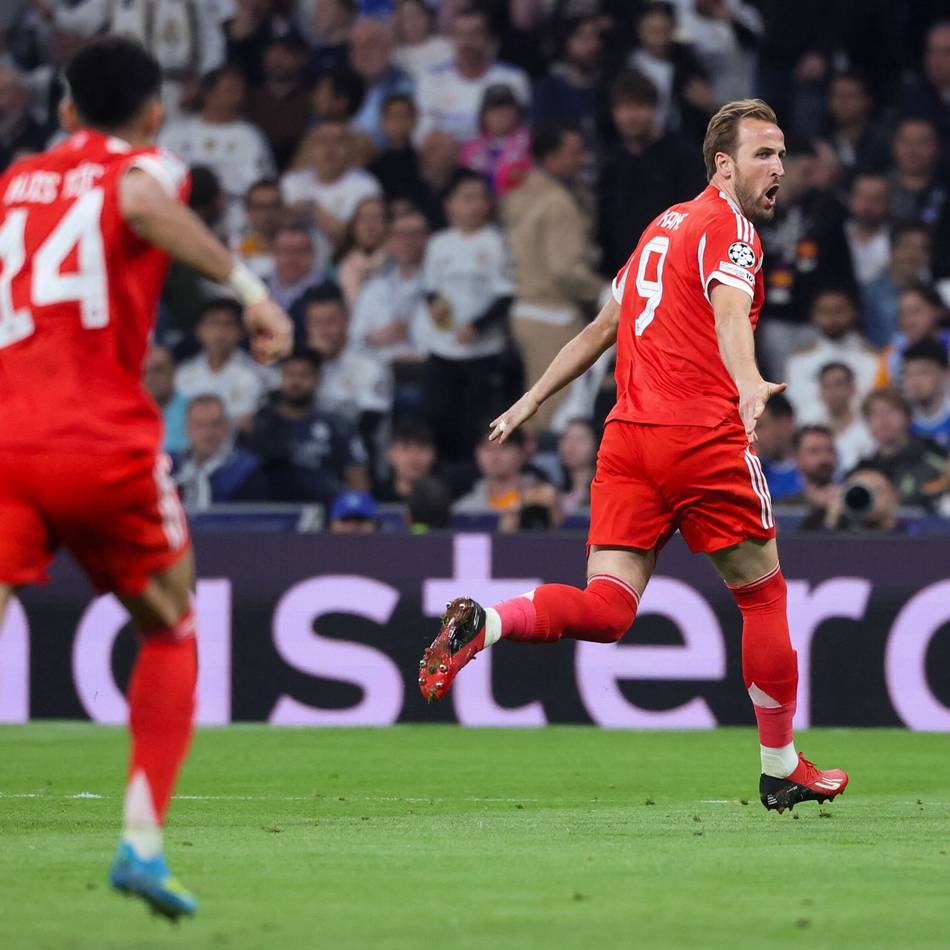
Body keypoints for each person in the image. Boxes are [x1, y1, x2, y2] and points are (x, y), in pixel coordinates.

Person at [419, 98, 848, 813]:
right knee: (763, 594)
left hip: (627, 442)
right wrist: (745, 381)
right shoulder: (730, 228)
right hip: (700, 439)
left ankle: (485, 623)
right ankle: (780, 766)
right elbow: (731, 308)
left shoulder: (661, 227)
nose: (780, 168)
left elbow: (602, 326)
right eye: (764, 155)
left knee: (608, 609)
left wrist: (532, 399)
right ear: (723, 164)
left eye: (782, 155)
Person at [0, 36, 291, 918]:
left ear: (63, 110)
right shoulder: (141, 167)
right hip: (99, 443)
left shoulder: (13, 185)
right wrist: (250, 290)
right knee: (171, 626)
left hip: (6, 437)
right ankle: (140, 841)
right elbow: (139, 201)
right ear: (154, 111)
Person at [504, 122, 606, 432]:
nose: (581, 158)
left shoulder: (517, 196)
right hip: (553, 317)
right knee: (552, 411)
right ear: (550, 157)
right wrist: (610, 290)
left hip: (523, 311)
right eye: (574, 152)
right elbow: (566, 270)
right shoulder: (558, 202)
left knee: (531, 404)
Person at [422, 169, 514, 464]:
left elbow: (505, 296)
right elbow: (431, 287)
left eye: (480, 198)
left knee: (475, 424)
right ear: (449, 205)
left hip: (482, 351)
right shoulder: (438, 244)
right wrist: (435, 304)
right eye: (467, 198)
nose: (476, 205)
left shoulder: (495, 242)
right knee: (438, 417)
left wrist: (476, 326)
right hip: (443, 349)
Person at [597, 70, 703, 278]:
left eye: (639, 106)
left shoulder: (683, 155)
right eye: (624, 107)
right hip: (621, 276)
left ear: (654, 109)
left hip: (673, 273)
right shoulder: (610, 162)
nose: (632, 116)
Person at [157, 65, 276, 234]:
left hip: (235, 217)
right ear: (208, 93)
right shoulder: (174, 133)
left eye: (240, 90)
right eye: (230, 90)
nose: (238, 96)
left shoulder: (250, 136)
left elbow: (262, 184)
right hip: (182, 210)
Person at [244, 349, 369, 508]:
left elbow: (357, 479)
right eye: (290, 374)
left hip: (326, 513)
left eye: (304, 375)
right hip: (272, 515)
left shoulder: (338, 425)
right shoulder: (260, 424)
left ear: (318, 379)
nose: (296, 382)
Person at [413, 4, 530, 145]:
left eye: (474, 34)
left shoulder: (513, 78)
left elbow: (521, 134)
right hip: (447, 160)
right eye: (460, 35)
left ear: (489, 39)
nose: (466, 42)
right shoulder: (431, 79)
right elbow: (422, 135)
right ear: (451, 39)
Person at [280, 117, 382, 250]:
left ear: (350, 148)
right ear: (310, 147)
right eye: (323, 141)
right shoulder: (291, 182)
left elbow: (355, 239)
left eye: (338, 141)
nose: (330, 148)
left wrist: (313, 209)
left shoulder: (366, 185)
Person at [783, 288, 878, 424]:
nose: (832, 318)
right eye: (824, 312)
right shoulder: (798, 362)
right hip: (810, 433)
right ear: (813, 316)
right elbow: (794, 408)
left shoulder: (872, 359)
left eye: (839, 310)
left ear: (854, 313)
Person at [174, 298, 269, 430]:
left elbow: (246, 424)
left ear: (241, 331)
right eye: (212, 323)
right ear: (198, 330)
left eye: (228, 324)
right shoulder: (183, 373)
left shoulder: (258, 374)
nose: (220, 332)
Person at [172, 395, 269, 508]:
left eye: (215, 424)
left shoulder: (248, 469)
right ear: (187, 428)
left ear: (227, 426)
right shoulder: (171, 467)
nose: (207, 433)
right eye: (199, 425)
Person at [859, 388, 947, 509]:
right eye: (874, 413)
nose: (882, 420)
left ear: (908, 417)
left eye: (890, 411)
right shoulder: (863, 468)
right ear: (867, 423)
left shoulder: (934, 454)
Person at [460, 83, 532, 197]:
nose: (502, 113)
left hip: (519, 202)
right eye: (494, 107)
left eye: (508, 106)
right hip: (480, 204)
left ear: (518, 112)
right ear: (483, 115)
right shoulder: (469, 148)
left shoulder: (531, 141)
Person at [817, 362, 876, 472]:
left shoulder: (868, 427)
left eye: (838, 384)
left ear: (852, 388)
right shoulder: (814, 428)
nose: (832, 391)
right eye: (826, 386)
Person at [336, 195, 390, 310]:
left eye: (377, 219)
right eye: (364, 219)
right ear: (353, 226)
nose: (369, 226)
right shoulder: (336, 265)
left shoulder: (400, 262)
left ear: (388, 225)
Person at [373, 419, 439, 503]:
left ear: (434, 455)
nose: (414, 457)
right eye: (405, 448)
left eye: (422, 448)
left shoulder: (449, 499)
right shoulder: (374, 498)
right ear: (390, 454)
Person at [901, 341, 950, 450]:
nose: (914, 382)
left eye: (923, 373)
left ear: (945, 374)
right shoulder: (900, 420)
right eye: (908, 374)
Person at [233, 178, 286, 279]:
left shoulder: (301, 242)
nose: (268, 213)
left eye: (273, 206)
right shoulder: (235, 244)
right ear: (248, 211)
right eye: (260, 207)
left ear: (283, 208)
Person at [143, 344, 188, 454]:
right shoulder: (125, 412)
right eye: (144, 372)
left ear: (174, 371)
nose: (150, 378)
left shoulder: (193, 412)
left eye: (158, 370)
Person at [754, 393, 801, 500]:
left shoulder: (816, 465)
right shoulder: (752, 472)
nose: (753, 435)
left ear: (785, 423)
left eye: (760, 426)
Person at [557, 418, 597, 514]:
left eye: (580, 439)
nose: (571, 447)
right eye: (567, 438)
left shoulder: (605, 491)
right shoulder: (554, 490)